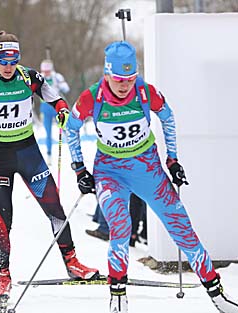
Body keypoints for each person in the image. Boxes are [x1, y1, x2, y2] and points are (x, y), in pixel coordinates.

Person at [65, 40, 238, 313]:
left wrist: (172, 159)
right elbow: (70, 128)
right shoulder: (91, 97)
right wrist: (79, 168)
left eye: (131, 78)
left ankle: (217, 294)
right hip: (110, 172)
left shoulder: (145, 93)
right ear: (107, 74)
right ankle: (118, 298)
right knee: (121, 227)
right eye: (120, 79)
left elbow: (168, 118)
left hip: (148, 169)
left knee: (183, 230)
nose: (125, 85)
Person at [0, 31, 99, 300]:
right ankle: (2, 274)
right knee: (3, 218)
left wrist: (61, 111)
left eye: (13, 59)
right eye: (3, 60)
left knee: (55, 208)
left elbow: (56, 99)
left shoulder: (29, 78)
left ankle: (73, 263)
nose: (8, 65)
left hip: (28, 153)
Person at [39, 59, 70, 162]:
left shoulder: (57, 76)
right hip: (45, 107)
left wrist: (61, 85)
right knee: (48, 133)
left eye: (48, 71)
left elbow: (66, 89)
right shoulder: (40, 77)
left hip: (56, 107)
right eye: (45, 71)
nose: (46, 73)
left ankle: (73, 152)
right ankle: (49, 155)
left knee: (65, 129)